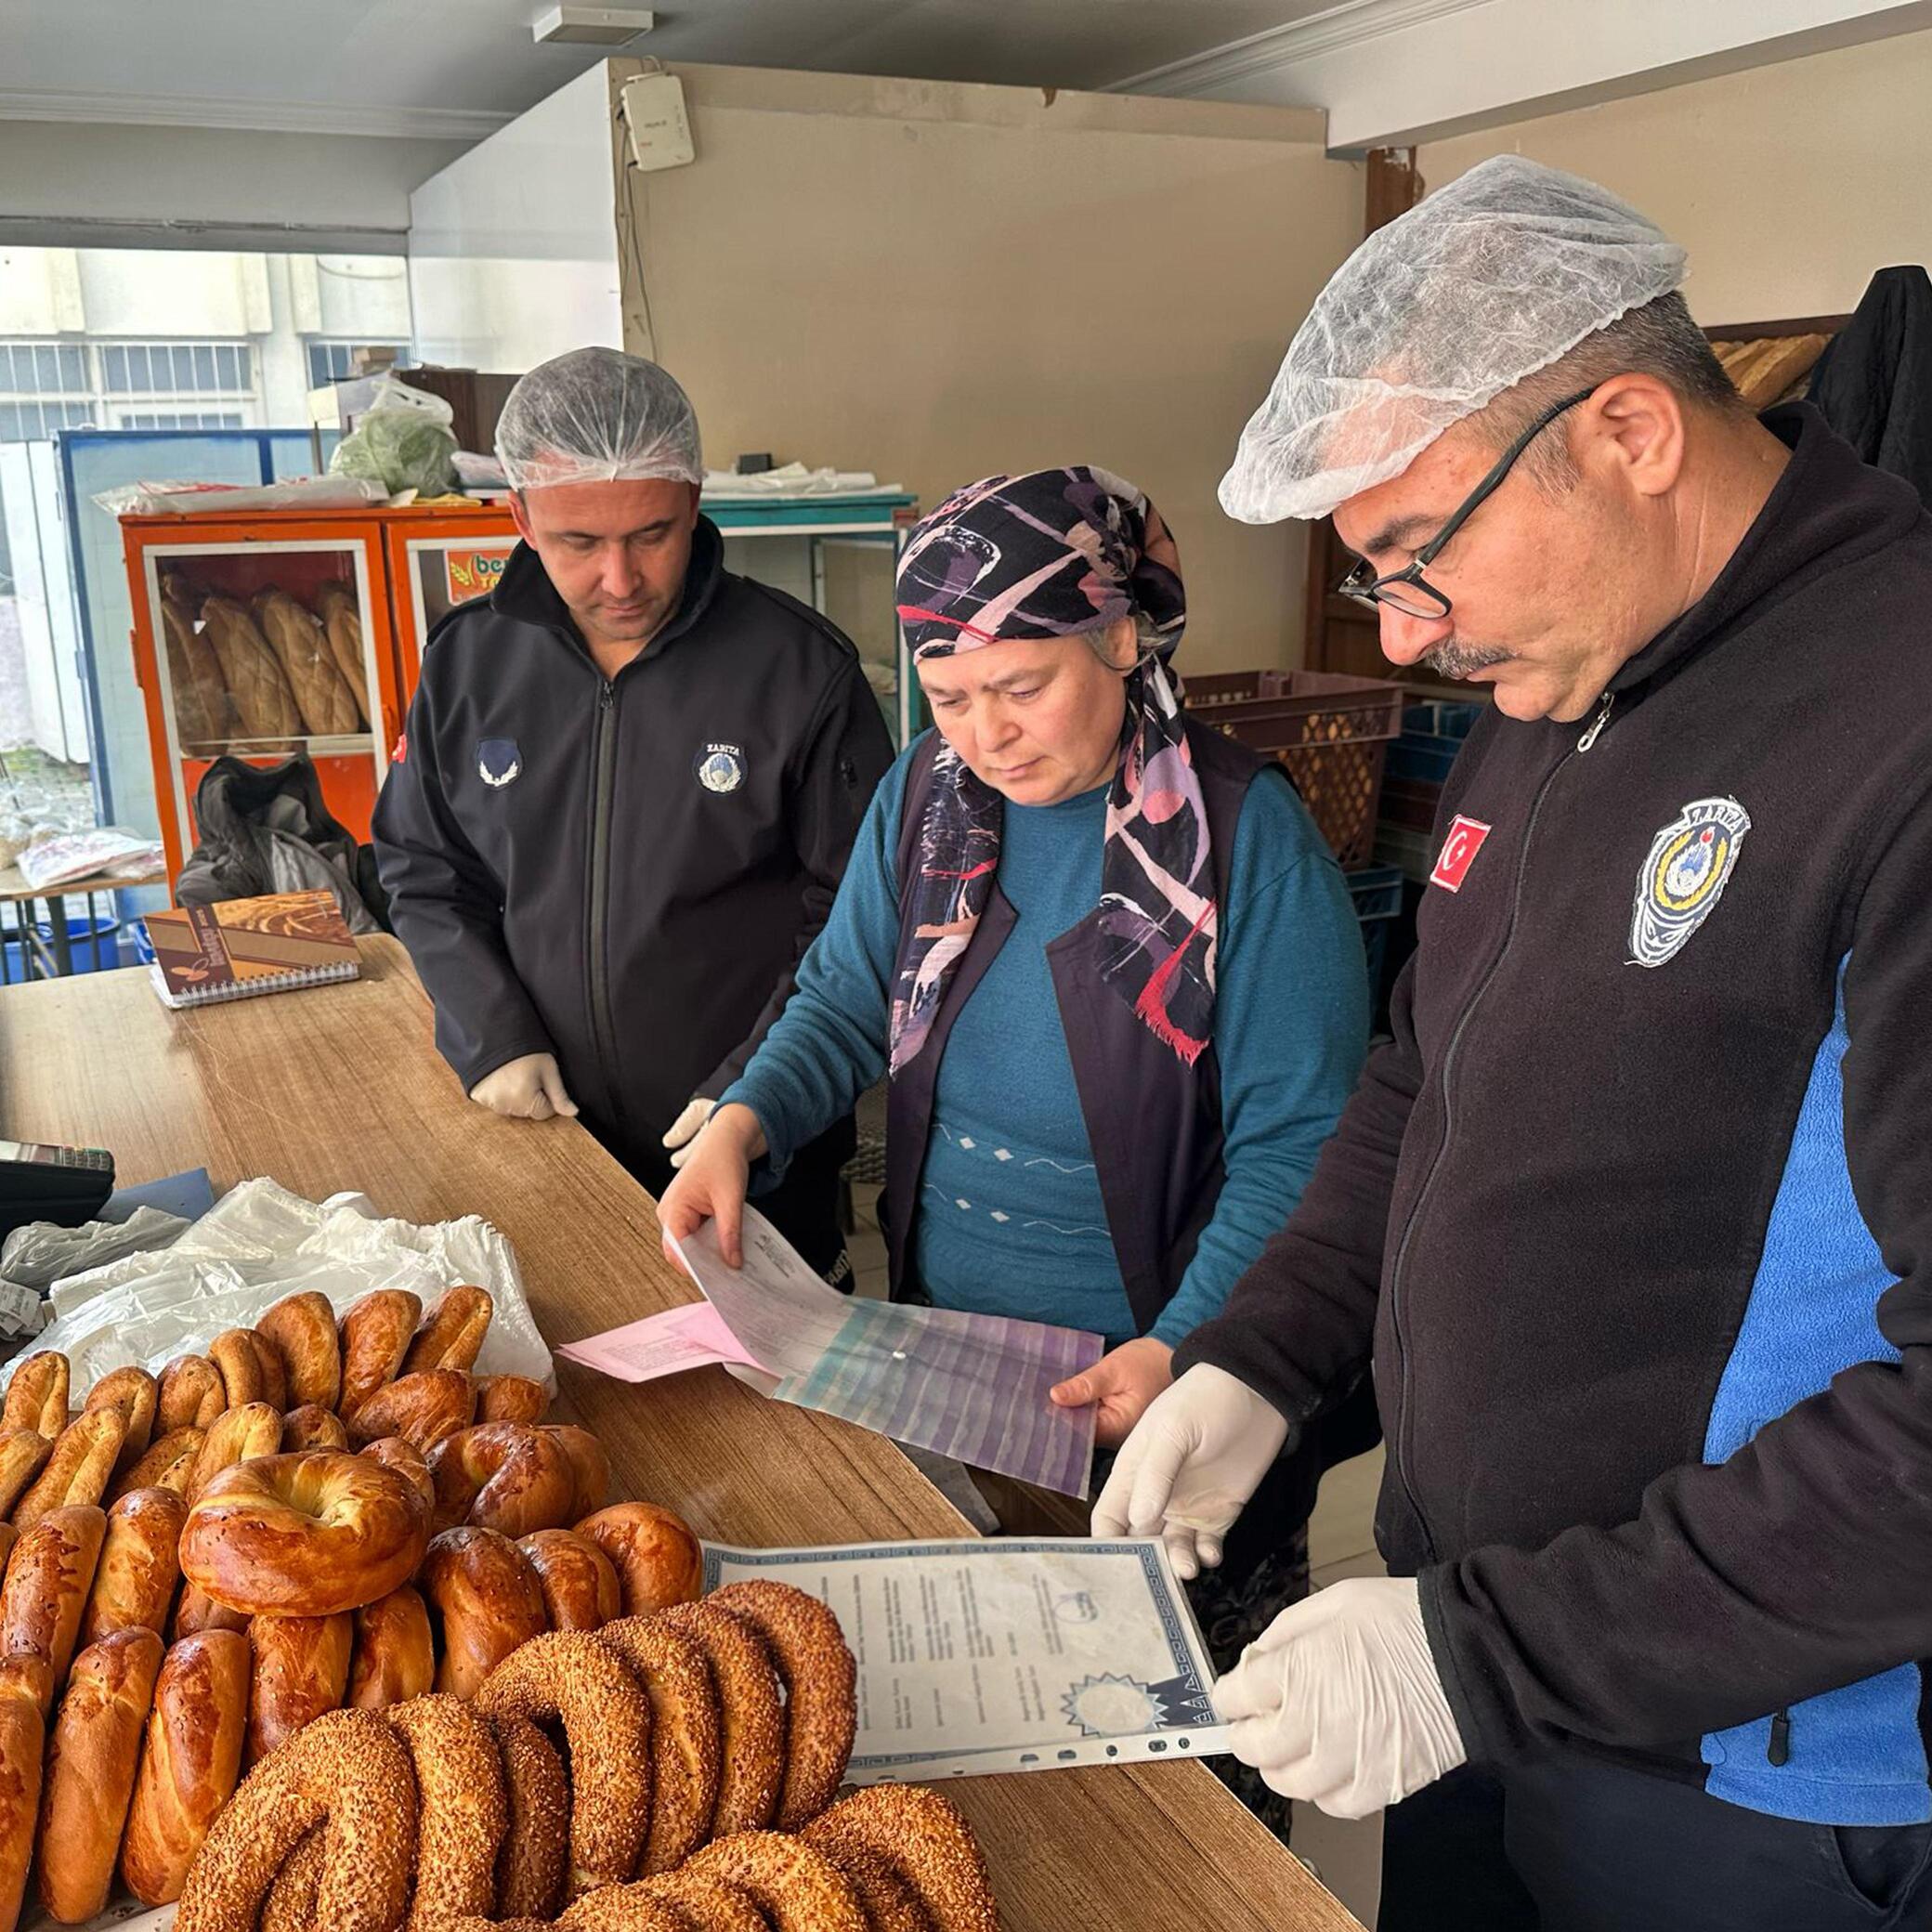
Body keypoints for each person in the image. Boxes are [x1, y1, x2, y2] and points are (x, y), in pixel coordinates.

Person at [1096, 153, 1932, 1931]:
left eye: (1419, 558)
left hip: (1758, 1781)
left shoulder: (1900, 724)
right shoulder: (1568, 670)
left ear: (1629, 431)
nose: (1407, 635)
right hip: (1491, 1675)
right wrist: (1262, 1360)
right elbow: (1426, 1082)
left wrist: (1481, 1655)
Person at [659, 464, 1370, 1834]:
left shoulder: (1242, 840)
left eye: (1021, 686)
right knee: (1002, 1775)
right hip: (962, 1375)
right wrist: (745, 1122)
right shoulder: (929, 800)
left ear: (1118, 638)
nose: (983, 732)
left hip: (1175, 1389)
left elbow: (1303, 1152)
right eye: (948, 692)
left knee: (1178, 1785)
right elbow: (843, 998)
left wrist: (1186, 1351)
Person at [373, 347, 893, 1280]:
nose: (620, 579)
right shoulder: (468, 664)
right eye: (579, 543)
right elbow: (424, 869)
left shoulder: (799, 671)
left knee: (776, 1420)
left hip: (752, 1163)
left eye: (652, 533)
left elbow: (859, 917)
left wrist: (761, 1083)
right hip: (543, 1143)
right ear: (519, 517)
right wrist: (488, 1031)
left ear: (694, 501)